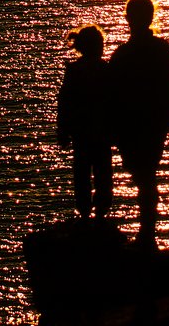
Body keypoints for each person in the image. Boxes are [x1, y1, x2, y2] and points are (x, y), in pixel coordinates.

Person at [109, 0, 169, 248]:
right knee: (146, 174)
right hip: (153, 120)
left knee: (144, 175)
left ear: (128, 18)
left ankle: (147, 232)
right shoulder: (162, 50)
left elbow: (113, 93)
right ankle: (148, 230)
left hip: (134, 122)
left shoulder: (123, 54)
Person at [57, 24, 112, 221]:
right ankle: (100, 214)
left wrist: (63, 130)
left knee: (82, 174)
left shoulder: (74, 71)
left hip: (81, 132)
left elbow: (64, 102)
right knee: (103, 174)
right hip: (102, 132)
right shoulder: (106, 70)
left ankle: (85, 214)